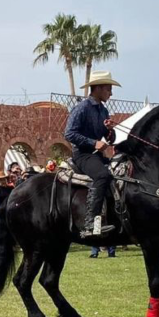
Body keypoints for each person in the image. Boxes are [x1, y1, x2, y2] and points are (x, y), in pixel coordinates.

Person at [63, 70, 122, 237]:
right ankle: (89, 223)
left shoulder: (103, 111)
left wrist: (110, 131)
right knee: (102, 176)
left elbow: (110, 139)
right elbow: (69, 133)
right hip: (82, 155)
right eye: (108, 89)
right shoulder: (81, 108)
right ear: (97, 88)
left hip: (96, 155)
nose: (111, 93)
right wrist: (93, 142)